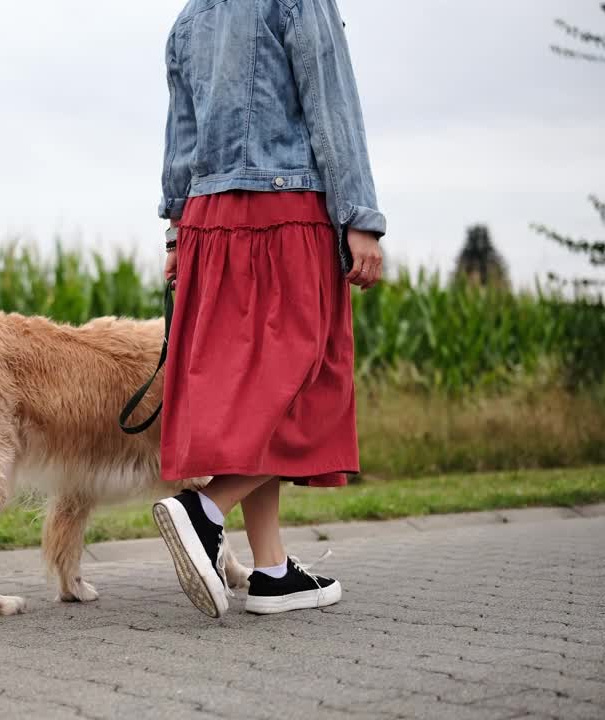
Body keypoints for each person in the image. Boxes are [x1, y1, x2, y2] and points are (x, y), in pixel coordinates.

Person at [151, 0, 385, 618]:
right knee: (304, 383)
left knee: (255, 389)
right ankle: (202, 511)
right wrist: (360, 217)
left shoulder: (190, 18)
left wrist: (177, 233)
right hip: (285, 216)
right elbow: (332, 104)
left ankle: (273, 569)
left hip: (209, 224)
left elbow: (180, 132)